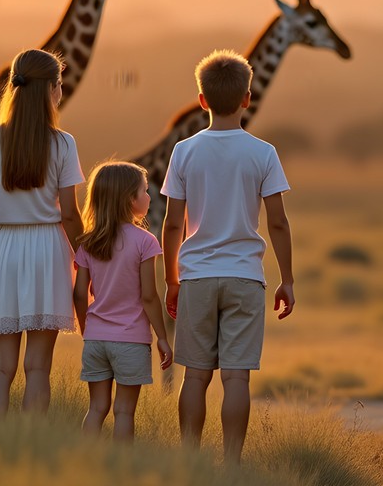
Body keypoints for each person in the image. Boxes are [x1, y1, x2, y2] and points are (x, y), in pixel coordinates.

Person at [161, 49, 295, 465]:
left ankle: (190, 462)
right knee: (237, 378)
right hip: (245, 278)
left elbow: (172, 224)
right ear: (247, 99)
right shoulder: (263, 152)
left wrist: (172, 280)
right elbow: (277, 222)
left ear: (202, 100)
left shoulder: (184, 151)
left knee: (195, 376)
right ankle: (232, 465)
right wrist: (287, 279)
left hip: (197, 277)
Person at [0, 49, 84, 416]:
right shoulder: (63, 143)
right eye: (59, 85)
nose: (61, 92)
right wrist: (87, 258)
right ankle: (30, 438)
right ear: (50, 89)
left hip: (3, 247)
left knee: (0, 366)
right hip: (48, 250)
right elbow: (70, 214)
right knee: (38, 366)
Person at [73, 161, 173, 443]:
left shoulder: (88, 242)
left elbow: (80, 294)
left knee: (96, 408)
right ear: (130, 200)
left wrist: (87, 329)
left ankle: (85, 459)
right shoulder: (145, 241)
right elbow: (149, 296)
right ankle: (120, 462)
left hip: (96, 340)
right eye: (145, 191)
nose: (149, 196)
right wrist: (162, 338)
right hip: (131, 341)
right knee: (125, 411)